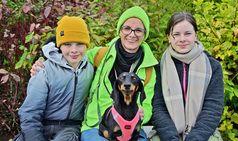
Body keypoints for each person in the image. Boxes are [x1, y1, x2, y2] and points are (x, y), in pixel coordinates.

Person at [30, 6, 158, 141]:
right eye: (126, 28)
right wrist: (43, 61)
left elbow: (147, 105)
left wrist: (144, 114)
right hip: (96, 127)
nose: (132, 34)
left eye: (138, 30)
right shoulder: (99, 55)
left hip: (131, 129)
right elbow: (69, 52)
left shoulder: (149, 69)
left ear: (145, 34)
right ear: (119, 30)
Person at [14, 16, 94, 141]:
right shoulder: (44, 69)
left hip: (70, 127)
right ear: (59, 45)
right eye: (67, 44)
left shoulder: (89, 69)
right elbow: (30, 112)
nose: (74, 50)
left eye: (79, 44)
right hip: (41, 125)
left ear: (87, 45)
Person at [152, 11, 224, 141]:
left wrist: (195, 138)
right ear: (169, 37)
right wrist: (171, 138)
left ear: (196, 35)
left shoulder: (213, 67)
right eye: (176, 34)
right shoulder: (159, 68)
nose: (182, 39)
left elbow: (213, 109)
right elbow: (159, 108)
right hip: (167, 132)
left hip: (203, 132)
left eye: (188, 33)